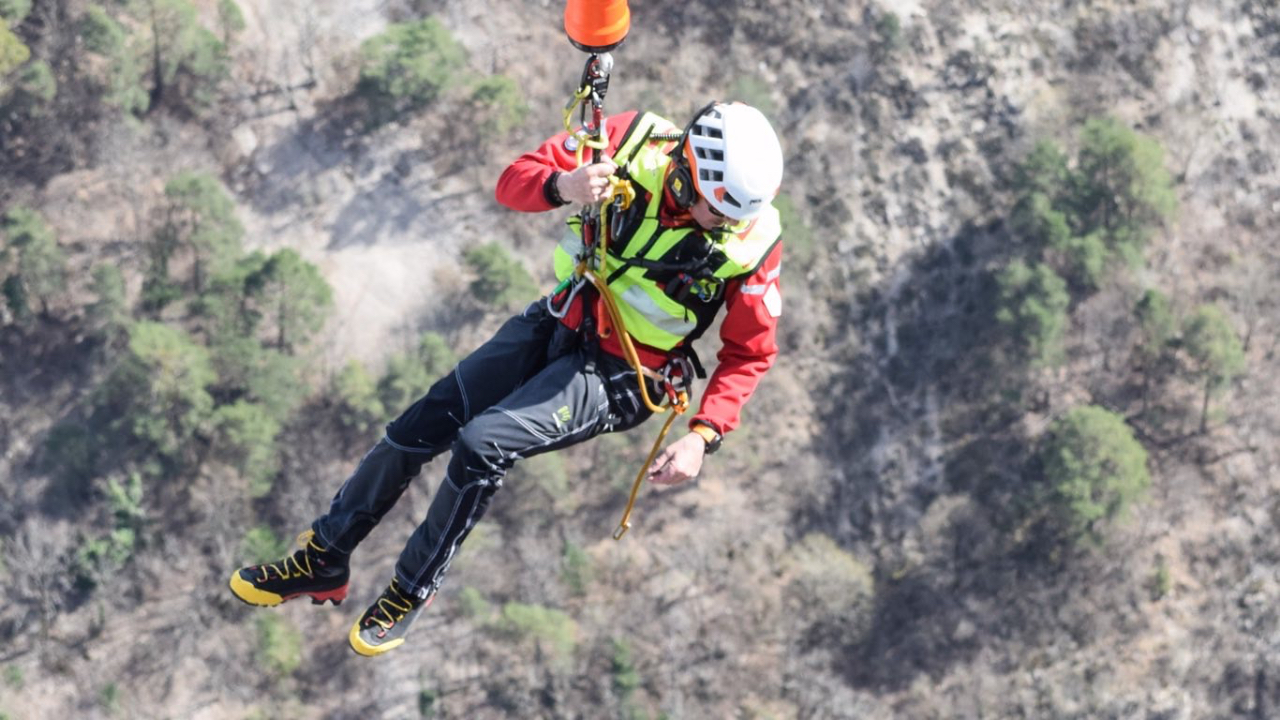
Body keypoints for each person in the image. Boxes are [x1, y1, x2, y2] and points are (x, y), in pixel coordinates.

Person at [228, 101, 786, 656]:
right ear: (685, 172)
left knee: (481, 444)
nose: (723, 225)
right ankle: (324, 558)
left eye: (731, 216)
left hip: (623, 374)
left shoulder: (751, 241)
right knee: (418, 425)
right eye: (714, 210)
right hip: (561, 316)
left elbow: (750, 352)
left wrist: (703, 434)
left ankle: (409, 591)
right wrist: (565, 185)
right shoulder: (630, 139)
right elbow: (512, 182)